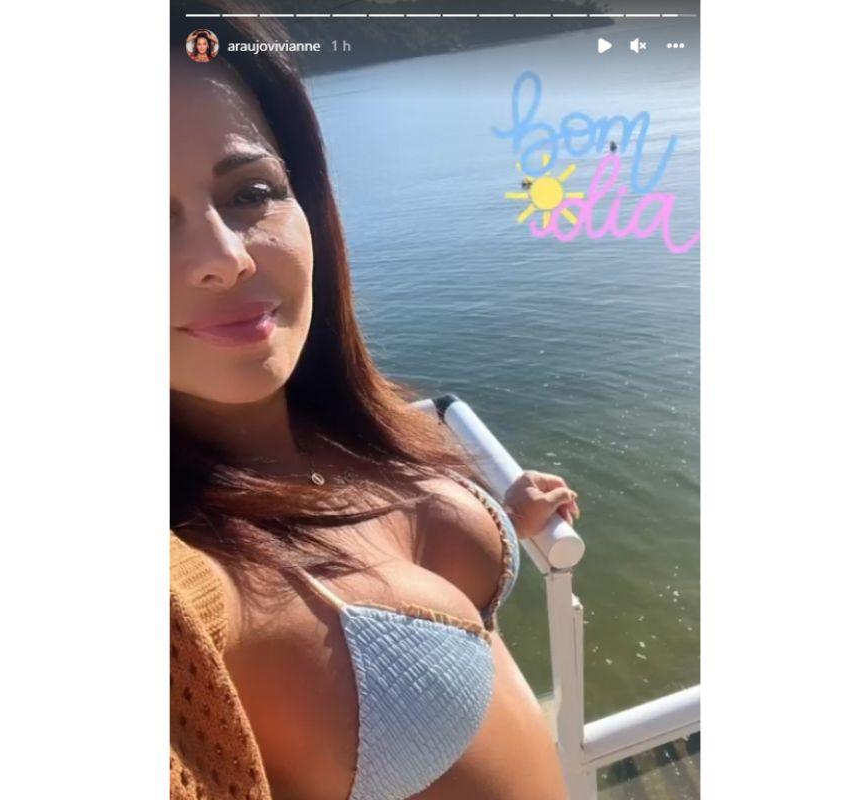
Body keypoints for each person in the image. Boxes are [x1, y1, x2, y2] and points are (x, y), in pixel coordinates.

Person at [170, 8, 579, 800]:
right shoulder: (186, 590)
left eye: (251, 192)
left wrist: (505, 517)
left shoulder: (338, 425)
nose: (224, 257)